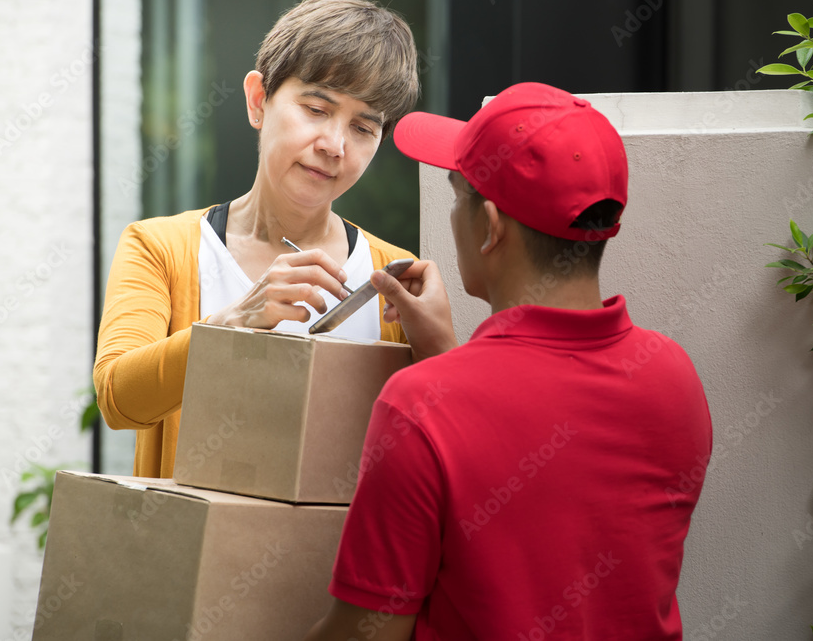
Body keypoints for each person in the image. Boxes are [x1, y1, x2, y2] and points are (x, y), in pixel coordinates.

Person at [304, 82, 713, 640]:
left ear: (490, 226)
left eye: (457, 196)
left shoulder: (419, 407)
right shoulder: (672, 376)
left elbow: (366, 633)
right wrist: (448, 360)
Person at [93, 0, 419, 479]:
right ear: (257, 100)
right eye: (315, 109)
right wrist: (232, 323)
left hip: (333, 556)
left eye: (363, 127)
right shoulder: (161, 247)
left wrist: (441, 348)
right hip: (194, 550)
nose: (334, 145)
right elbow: (118, 400)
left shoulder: (391, 274)